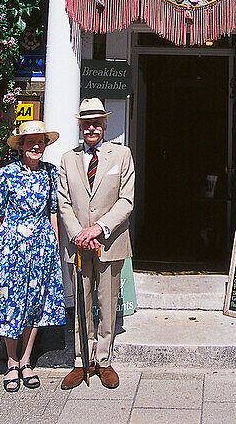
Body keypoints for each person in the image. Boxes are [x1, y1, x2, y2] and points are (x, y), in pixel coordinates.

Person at [0, 120, 66, 393]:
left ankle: (27, 361)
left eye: (41, 142)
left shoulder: (51, 173)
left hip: (41, 246)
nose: (37, 146)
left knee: (36, 303)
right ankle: (11, 362)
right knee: (9, 303)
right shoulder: (5, 174)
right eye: (31, 142)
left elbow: (53, 213)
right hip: (11, 247)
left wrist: (55, 247)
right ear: (21, 146)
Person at [57, 97, 135, 390]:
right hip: (78, 244)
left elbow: (126, 201)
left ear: (104, 124)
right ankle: (82, 361)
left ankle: (103, 360)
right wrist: (79, 233)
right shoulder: (68, 158)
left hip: (109, 242)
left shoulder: (122, 155)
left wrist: (97, 230)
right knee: (81, 302)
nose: (91, 127)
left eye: (96, 121)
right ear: (80, 126)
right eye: (86, 122)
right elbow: (63, 202)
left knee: (107, 301)